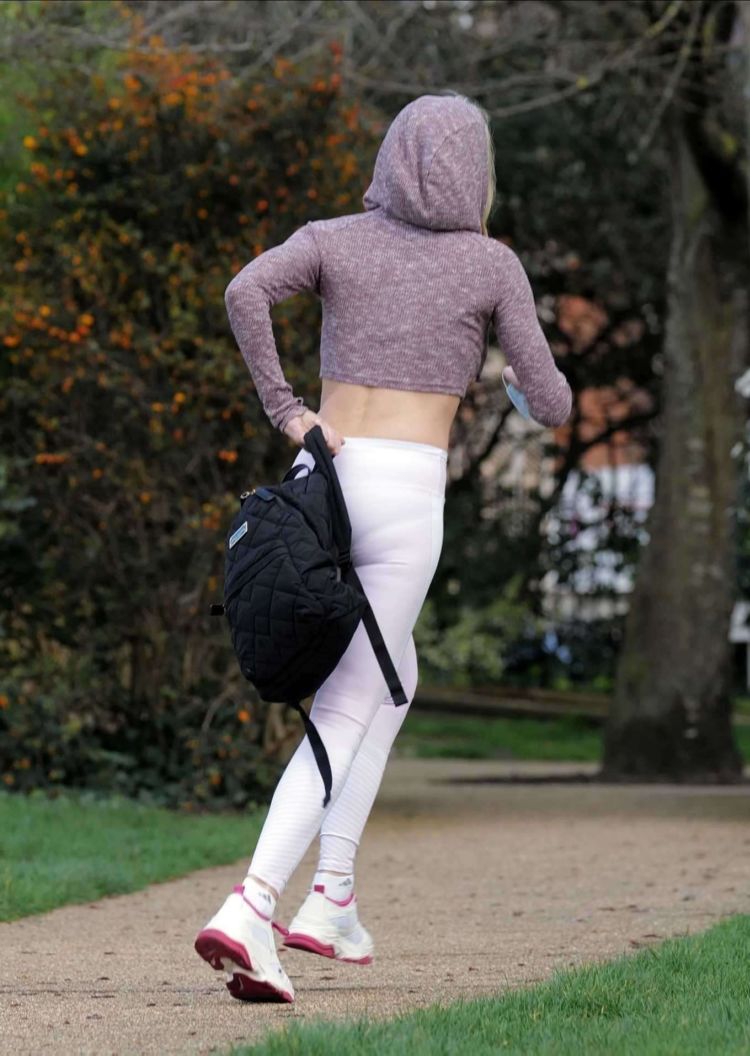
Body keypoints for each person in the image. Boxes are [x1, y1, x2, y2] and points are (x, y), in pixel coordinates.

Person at [194, 92, 572, 1004]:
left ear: (391, 158)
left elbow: (246, 288)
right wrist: (518, 389)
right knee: (347, 710)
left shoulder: (332, 237)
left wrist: (286, 406)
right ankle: (252, 906)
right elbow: (554, 404)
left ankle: (332, 897)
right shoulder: (491, 264)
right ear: (475, 172)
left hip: (321, 479)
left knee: (392, 677)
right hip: (405, 498)